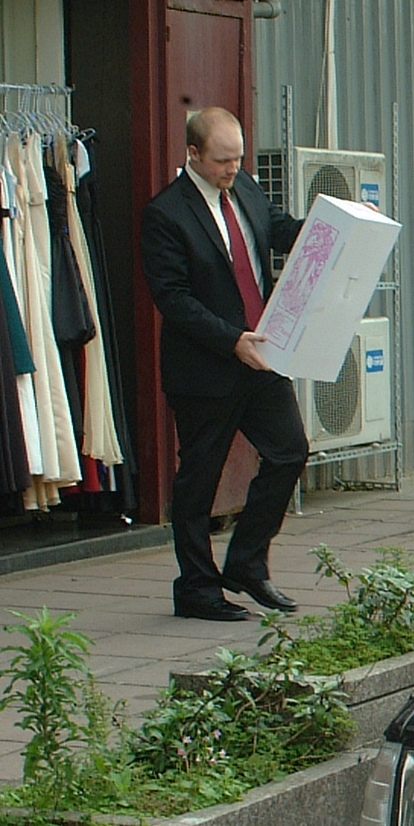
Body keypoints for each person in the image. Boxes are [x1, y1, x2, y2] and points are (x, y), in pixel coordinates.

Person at [138, 107, 308, 621]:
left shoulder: (245, 188)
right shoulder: (166, 214)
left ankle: (247, 564)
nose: (232, 169)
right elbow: (173, 298)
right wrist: (231, 339)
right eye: (221, 161)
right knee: (199, 480)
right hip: (206, 366)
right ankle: (196, 587)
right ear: (193, 154)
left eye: (238, 158)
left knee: (289, 451)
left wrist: (340, 224)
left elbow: (282, 230)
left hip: (261, 355)